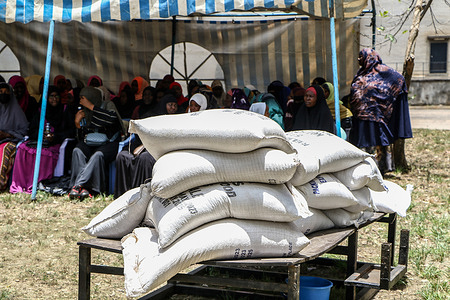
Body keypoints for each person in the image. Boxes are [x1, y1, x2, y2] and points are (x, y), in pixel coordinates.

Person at [349, 48, 413, 174]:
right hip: (360, 118)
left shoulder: (384, 72)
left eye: (361, 56)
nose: (358, 59)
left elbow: (399, 79)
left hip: (377, 117)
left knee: (377, 145)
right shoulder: (361, 73)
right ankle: (363, 172)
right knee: (362, 146)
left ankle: (379, 171)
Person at [10, 85, 75, 194]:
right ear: (46, 98)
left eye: (56, 96)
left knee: (44, 153)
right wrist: (42, 135)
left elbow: (71, 131)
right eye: (51, 96)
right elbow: (32, 130)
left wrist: (55, 136)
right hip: (40, 140)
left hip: (56, 143)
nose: (54, 99)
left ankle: (39, 182)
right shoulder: (41, 111)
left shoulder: (65, 110)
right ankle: (23, 183)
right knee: (22, 148)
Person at [114, 94, 178, 198]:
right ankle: (123, 194)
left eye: (175, 105)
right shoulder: (153, 115)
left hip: (159, 148)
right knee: (122, 156)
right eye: (170, 105)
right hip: (142, 142)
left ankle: (141, 194)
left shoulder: (176, 119)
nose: (173, 108)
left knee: (145, 158)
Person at [69, 87, 124, 200]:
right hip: (91, 142)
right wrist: (77, 124)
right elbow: (81, 137)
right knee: (77, 151)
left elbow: (111, 119)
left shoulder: (108, 104)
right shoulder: (83, 110)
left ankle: (79, 186)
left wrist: (91, 107)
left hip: (110, 142)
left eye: (84, 99)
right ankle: (84, 189)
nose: (81, 102)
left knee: (98, 155)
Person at [0, 82, 29, 191]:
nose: (3, 94)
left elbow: (24, 131)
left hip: (11, 140)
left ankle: (1, 182)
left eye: (6, 92)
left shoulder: (16, 111)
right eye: (1, 92)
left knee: (4, 149)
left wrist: (7, 134)